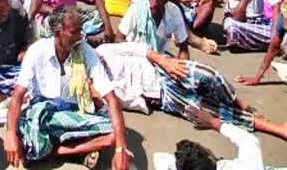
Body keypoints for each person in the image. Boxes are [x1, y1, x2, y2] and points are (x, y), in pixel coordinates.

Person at [4, 5, 131, 170]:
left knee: (116, 134)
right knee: (28, 126)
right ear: (58, 33)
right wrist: (10, 134)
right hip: (43, 115)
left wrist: (120, 149)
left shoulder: (85, 51)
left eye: (81, 30)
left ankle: (55, 150)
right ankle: (80, 149)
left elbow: (111, 99)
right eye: (74, 32)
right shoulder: (37, 51)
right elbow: (18, 96)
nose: (80, 36)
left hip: (74, 114)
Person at [94, 42, 287, 149]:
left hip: (163, 69)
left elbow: (137, 48)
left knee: (210, 75)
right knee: (212, 113)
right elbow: (113, 106)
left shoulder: (103, 51)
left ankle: (237, 101)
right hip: (163, 96)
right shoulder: (96, 87)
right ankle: (276, 128)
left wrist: (164, 61)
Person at [116, 0, 190, 58]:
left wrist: (182, 65)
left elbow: (184, 48)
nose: (153, 4)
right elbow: (119, 38)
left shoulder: (174, 12)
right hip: (134, 56)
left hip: (157, 58)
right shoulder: (137, 7)